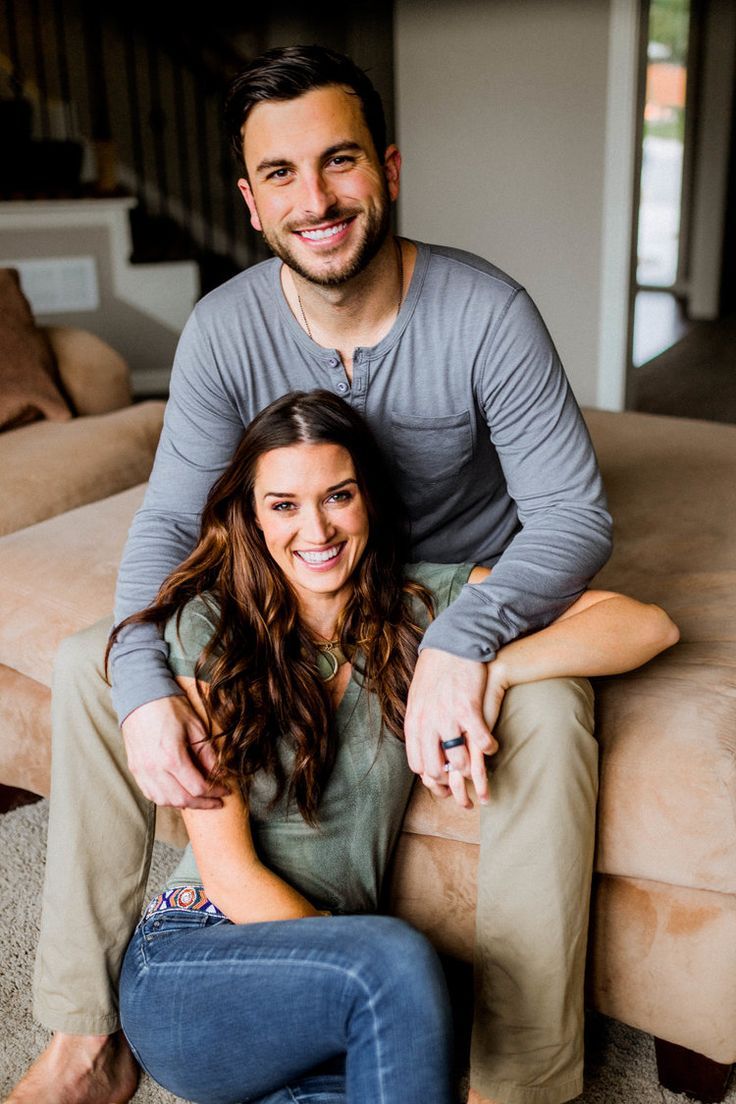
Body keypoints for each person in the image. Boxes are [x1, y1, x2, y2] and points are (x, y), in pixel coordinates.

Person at [9, 44, 616, 1104]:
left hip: (459, 594)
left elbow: (573, 517)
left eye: (338, 162)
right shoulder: (225, 327)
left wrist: (468, 643)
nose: (317, 198)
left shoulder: (487, 312)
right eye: (281, 174)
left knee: (558, 707)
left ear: (386, 167)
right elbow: (165, 523)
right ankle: (85, 1033)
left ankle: (522, 1078)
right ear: (249, 201)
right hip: (300, 599)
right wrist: (147, 691)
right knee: (89, 661)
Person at [114, 390, 676, 1104]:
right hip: (193, 966)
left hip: (328, 1001)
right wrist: (373, 971)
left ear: (368, 499)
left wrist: (492, 665)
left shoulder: (426, 606)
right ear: (252, 517)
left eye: (337, 496)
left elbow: (644, 625)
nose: (314, 528)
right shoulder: (211, 627)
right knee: (403, 965)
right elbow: (230, 877)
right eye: (283, 504)